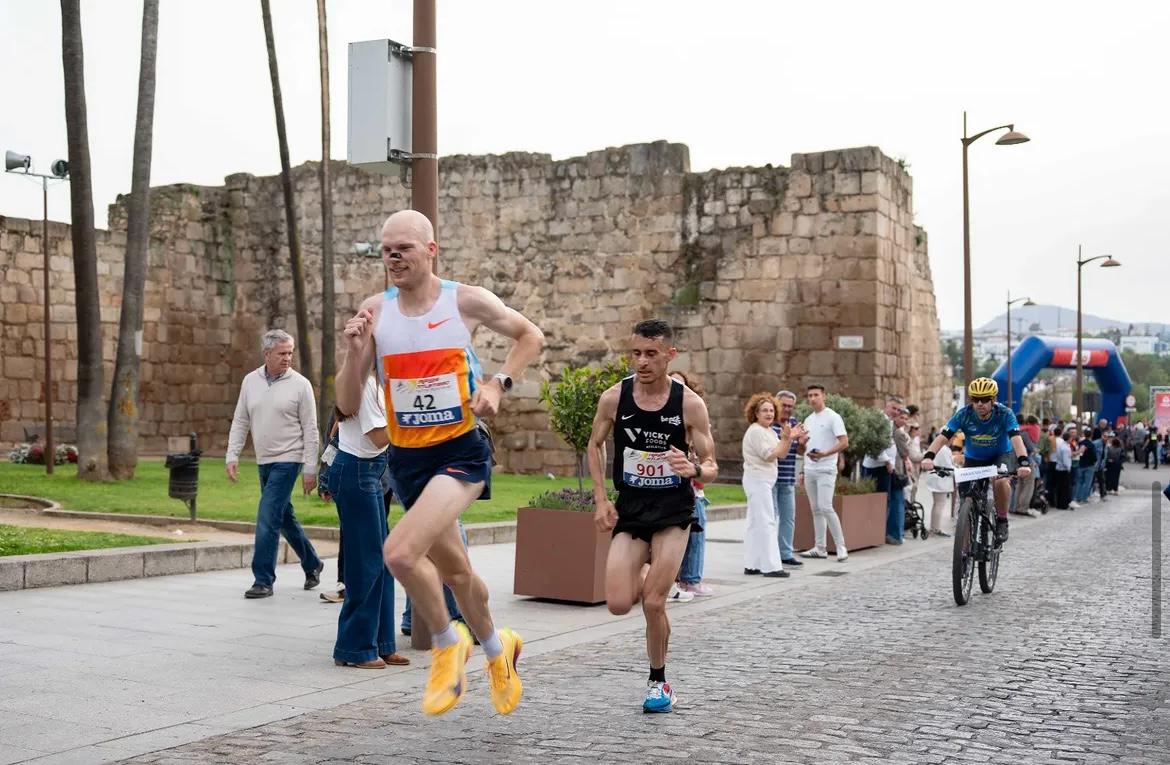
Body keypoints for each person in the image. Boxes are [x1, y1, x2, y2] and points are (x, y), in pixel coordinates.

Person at [336, 209, 544, 716]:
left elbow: (530, 336)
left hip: (460, 451)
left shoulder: (463, 300)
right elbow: (345, 402)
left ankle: (450, 646)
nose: (393, 256)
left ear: (431, 250)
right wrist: (354, 351)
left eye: (403, 246)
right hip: (406, 461)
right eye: (386, 248)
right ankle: (500, 650)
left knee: (401, 554)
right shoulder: (375, 313)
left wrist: (498, 383)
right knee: (457, 572)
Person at [586, 319, 718, 713]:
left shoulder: (689, 404)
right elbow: (594, 446)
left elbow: (711, 464)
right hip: (632, 509)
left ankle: (659, 682)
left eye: (651, 354)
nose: (642, 362)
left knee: (654, 604)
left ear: (669, 355)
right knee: (617, 603)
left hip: (673, 511)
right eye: (636, 353)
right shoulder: (614, 398)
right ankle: (649, 574)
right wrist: (599, 499)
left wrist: (694, 470)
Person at [226, 328, 324, 599]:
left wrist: (310, 468)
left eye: (290, 352)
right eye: (282, 353)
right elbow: (241, 420)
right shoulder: (250, 381)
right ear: (267, 353)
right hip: (263, 460)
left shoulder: (301, 385)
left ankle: (263, 580)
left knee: (267, 515)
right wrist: (232, 455)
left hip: (289, 459)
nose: (288, 358)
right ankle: (312, 563)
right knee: (283, 517)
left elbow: (311, 429)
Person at [326, 375, 409, 669]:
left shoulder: (379, 383)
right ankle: (355, 647)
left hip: (370, 470)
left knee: (382, 560)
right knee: (367, 562)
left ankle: (382, 643)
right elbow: (377, 437)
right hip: (357, 472)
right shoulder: (364, 384)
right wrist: (410, 416)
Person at [920, 377, 1032, 544]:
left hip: (1000, 455)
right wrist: (929, 456)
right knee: (966, 501)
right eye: (975, 399)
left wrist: (1023, 462)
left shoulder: (1005, 414)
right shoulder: (964, 414)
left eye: (985, 399)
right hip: (974, 459)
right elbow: (944, 437)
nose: (980, 403)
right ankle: (965, 547)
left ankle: (1002, 520)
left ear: (993, 400)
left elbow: (1016, 439)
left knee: (1001, 482)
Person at [740, 393, 792, 578]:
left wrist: (788, 438)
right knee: (767, 522)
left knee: (755, 523)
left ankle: (752, 564)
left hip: (764, 481)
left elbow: (782, 453)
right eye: (765, 410)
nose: (769, 413)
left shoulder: (769, 431)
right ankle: (771, 567)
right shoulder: (755, 431)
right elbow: (769, 455)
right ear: (756, 413)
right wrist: (786, 439)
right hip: (758, 481)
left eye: (771, 410)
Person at [671, 370, 713, 597]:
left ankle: (688, 579)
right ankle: (688, 580)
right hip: (675, 488)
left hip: (693, 487)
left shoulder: (694, 415)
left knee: (695, 534)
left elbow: (707, 459)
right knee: (690, 535)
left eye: (681, 384)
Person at [798, 384, 849, 561]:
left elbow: (844, 442)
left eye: (816, 395)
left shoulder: (833, 417)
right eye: (810, 395)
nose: (812, 398)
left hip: (826, 468)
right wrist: (803, 444)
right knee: (816, 509)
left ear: (824, 396)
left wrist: (825, 453)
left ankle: (841, 546)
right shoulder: (808, 419)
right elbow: (802, 448)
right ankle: (820, 548)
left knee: (826, 507)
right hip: (810, 469)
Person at [772, 390, 804, 568]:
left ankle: (785, 553)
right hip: (771, 478)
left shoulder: (794, 424)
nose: (787, 409)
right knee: (771, 517)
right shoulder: (768, 424)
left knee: (788, 517)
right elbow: (772, 450)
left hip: (788, 477)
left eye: (790, 406)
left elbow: (799, 452)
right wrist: (789, 437)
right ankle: (769, 553)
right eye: (784, 405)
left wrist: (803, 443)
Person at [886, 407, 912, 546]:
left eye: (906, 418)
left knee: (897, 501)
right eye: (901, 417)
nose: (904, 420)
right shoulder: (899, 433)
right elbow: (905, 452)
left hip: (895, 469)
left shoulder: (895, 431)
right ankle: (896, 534)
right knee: (898, 501)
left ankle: (896, 533)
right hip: (897, 470)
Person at [922, 436, 954, 537]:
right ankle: (935, 529)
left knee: (937, 504)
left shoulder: (940, 448)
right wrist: (958, 471)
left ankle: (934, 528)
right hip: (940, 480)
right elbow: (948, 467)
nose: (953, 439)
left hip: (936, 479)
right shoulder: (944, 449)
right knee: (939, 504)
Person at [1052, 432, 1074, 509]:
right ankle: (1063, 505)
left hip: (1059, 468)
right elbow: (1066, 460)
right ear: (1068, 438)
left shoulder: (1061, 445)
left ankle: (1059, 504)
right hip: (1064, 469)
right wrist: (1068, 467)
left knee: (1060, 488)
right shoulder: (1065, 448)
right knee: (1065, 488)